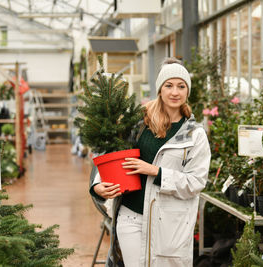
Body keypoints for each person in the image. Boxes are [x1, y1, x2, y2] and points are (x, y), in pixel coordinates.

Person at [90, 57, 211, 267]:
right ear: (160, 89)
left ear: (187, 91)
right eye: (169, 85)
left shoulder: (195, 134)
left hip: (169, 224)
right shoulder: (140, 124)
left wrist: (156, 172)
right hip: (131, 218)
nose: (175, 92)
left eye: (181, 86)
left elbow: (196, 182)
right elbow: (115, 152)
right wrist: (97, 185)